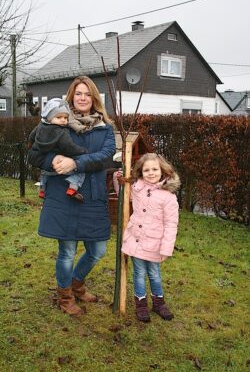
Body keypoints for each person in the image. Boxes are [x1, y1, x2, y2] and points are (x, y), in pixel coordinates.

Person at [28, 76, 116, 316]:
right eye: (78, 93)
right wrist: (53, 160)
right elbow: (34, 156)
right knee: (67, 251)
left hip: (93, 196)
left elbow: (107, 157)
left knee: (97, 250)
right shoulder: (57, 122)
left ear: (95, 98)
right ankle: (65, 296)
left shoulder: (105, 128)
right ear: (71, 97)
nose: (83, 98)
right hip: (63, 196)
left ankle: (76, 283)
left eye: (87, 94)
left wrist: (74, 163)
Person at [113, 153, 180, 322]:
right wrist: (117, 179)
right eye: (146, 170)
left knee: (154, 274)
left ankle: (159, 303)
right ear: (141, 172)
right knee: (139, 273)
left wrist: (166, 248)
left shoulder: (168, 197)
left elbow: (171, 224)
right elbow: (124, 196)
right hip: (136, 241)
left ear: (163, 170)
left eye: (155, 169)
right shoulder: (137, 188)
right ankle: (141, 305)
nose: (151, 173)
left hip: (155, 244)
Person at [28, 98, 88, 202]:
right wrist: (82, 151)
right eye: (59, 117)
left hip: (45, 162)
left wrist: (31, 144)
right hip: (58, 164)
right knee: (80, 170)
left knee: (44, 172)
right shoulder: (61, 132)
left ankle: (42, 189)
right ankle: (72, 188)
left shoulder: (41, 126)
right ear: (50, 117)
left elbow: (32, 136)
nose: (63, 120)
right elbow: (68, 147)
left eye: (65, 117)